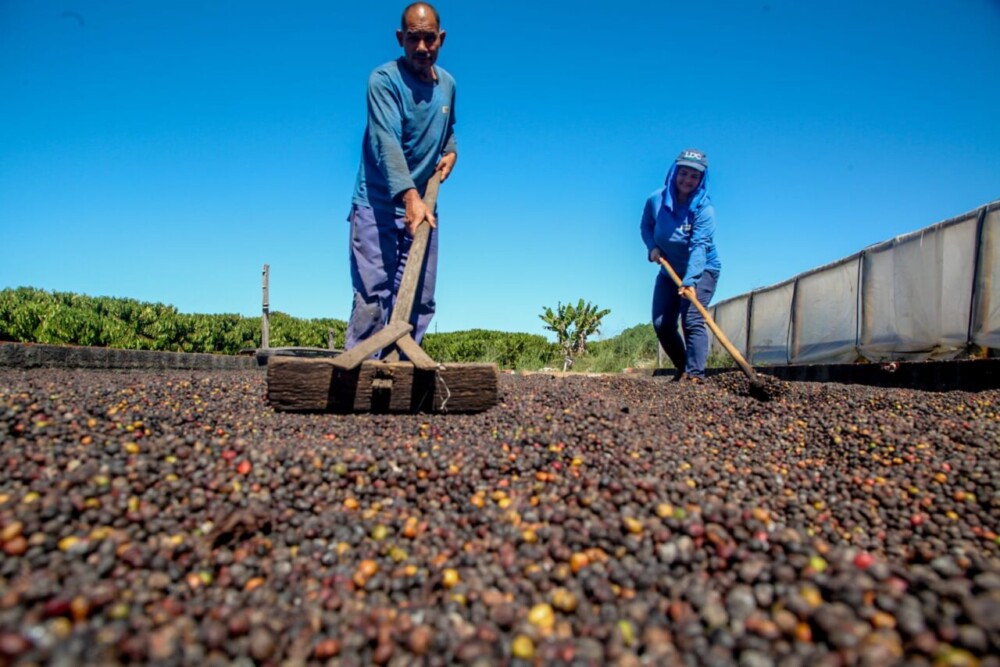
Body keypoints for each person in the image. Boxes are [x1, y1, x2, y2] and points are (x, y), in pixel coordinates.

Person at [344, 2, 457, 352]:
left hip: (423, 207)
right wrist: (409, 197)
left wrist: (451, 151)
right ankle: (362, 371)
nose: (422, 47)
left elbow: (448, 129)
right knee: (373, 296)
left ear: (441, 39)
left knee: (420, 298)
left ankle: (401, 372)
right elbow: (386, 141)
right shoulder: (383, 81)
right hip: (376, 205)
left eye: (429, 38)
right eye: (413, 38)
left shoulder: (448, 85)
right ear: (400, 38)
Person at [640, 148, 721, 381]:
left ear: (701, 179)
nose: (688, 179)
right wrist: (652, 247)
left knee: (692, 319)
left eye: (694, 176)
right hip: (669, 271)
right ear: (674, 172)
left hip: (703, 271)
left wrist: (691, 281)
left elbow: (699, 246)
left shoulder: (704, 209)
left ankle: (695, 376)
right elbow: (646, 225)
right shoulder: (655, 200)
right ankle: (683, 369)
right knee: (662, 324)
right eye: (683, 173)